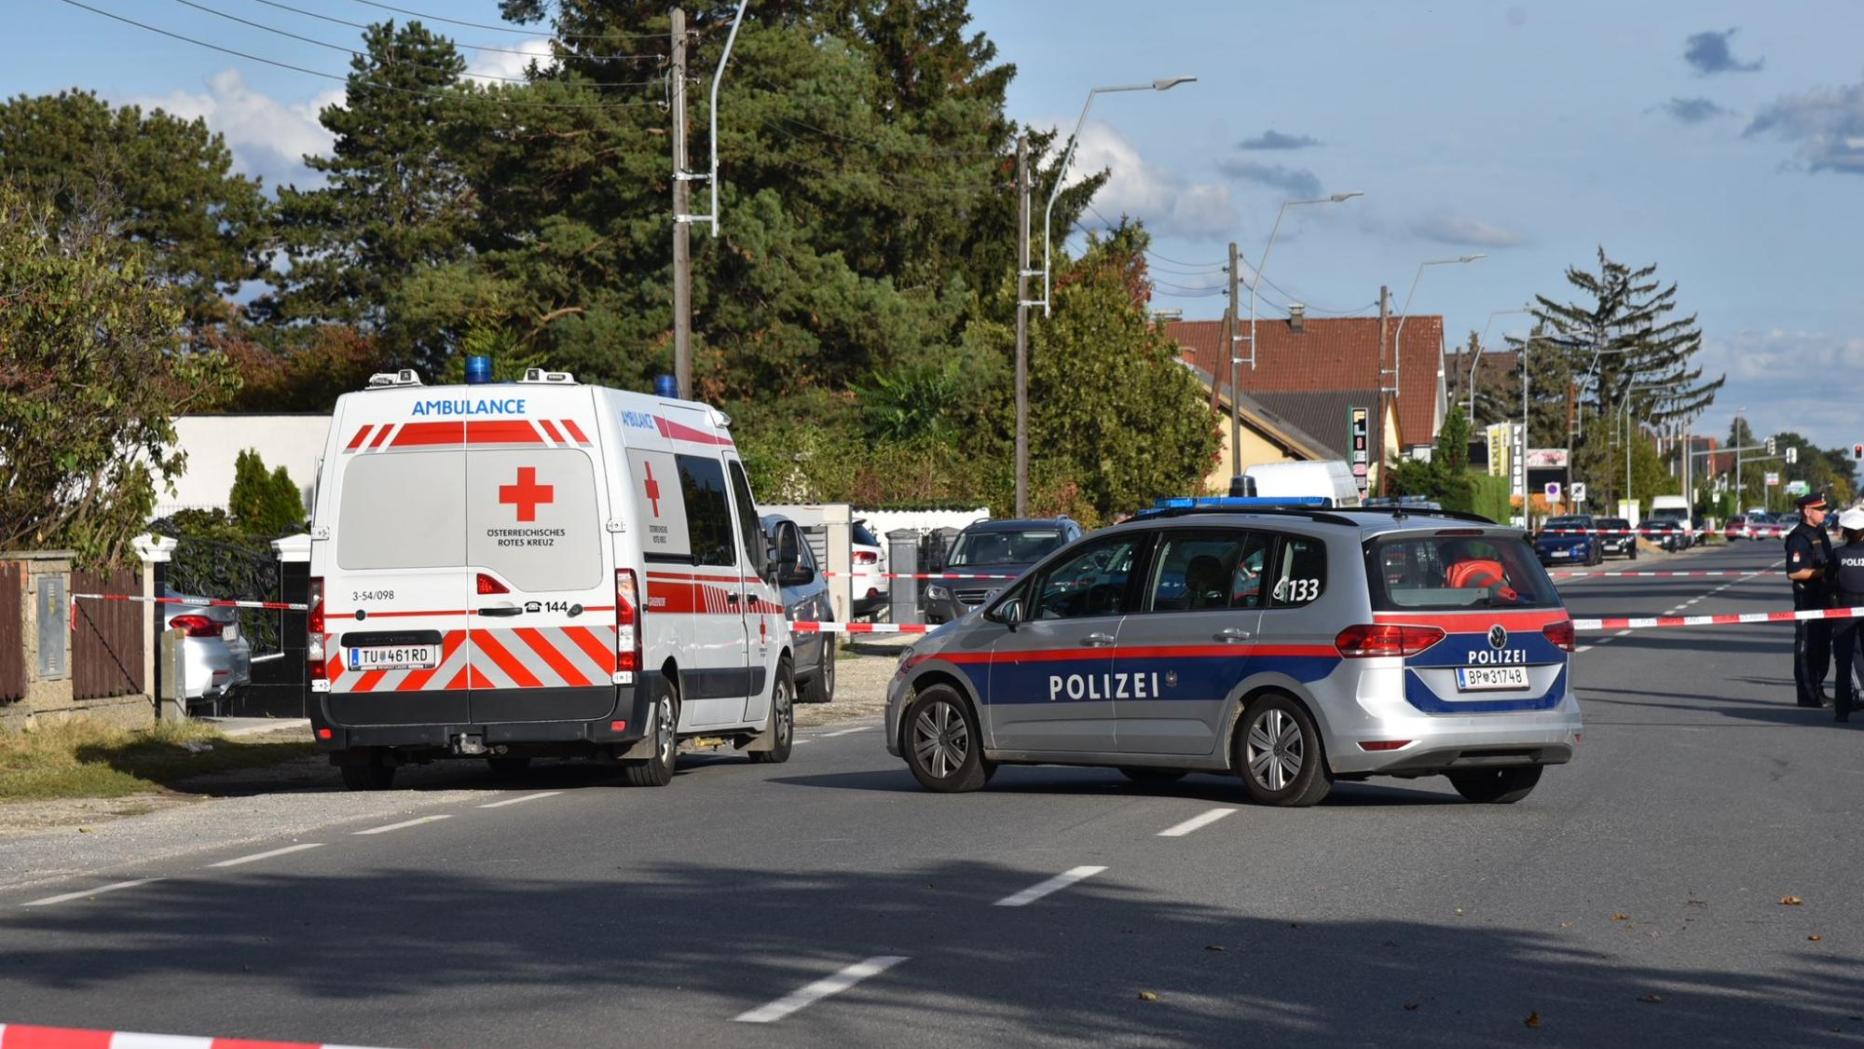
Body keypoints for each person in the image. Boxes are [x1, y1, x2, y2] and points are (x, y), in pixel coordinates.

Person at [1785, 492, 1835, 707]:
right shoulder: (1799, 537)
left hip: (1824, 598)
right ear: (1807, 511)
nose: (1824, 513)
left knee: (1822, 647)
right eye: (1820, 509)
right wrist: (1824, 573)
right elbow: (1794, 572)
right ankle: (1807, 695)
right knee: (1807, 648)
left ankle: (1818, 689)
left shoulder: (1820, 532)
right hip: (1808, 600)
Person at [1830, 507, 1864, 723]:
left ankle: (1842, 710)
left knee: (1843, 662)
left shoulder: (1838, 555)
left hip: (1844, 610)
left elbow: (1829, 584)